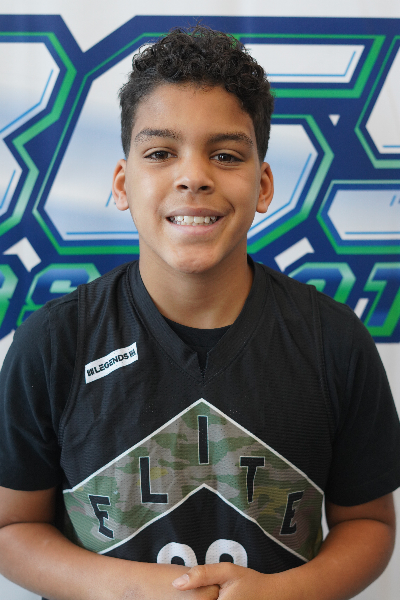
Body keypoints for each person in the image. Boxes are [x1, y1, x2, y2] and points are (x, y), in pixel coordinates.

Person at [0, 25, 399, 600]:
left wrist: (285, 593)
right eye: (161, 153)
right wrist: (136, 590)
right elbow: (12, 527)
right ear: (123, 183)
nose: (193, 177)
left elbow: (369, 523)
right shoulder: (53, 341)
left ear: (263, 185)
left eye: (226, 155)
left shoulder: (333, 341)